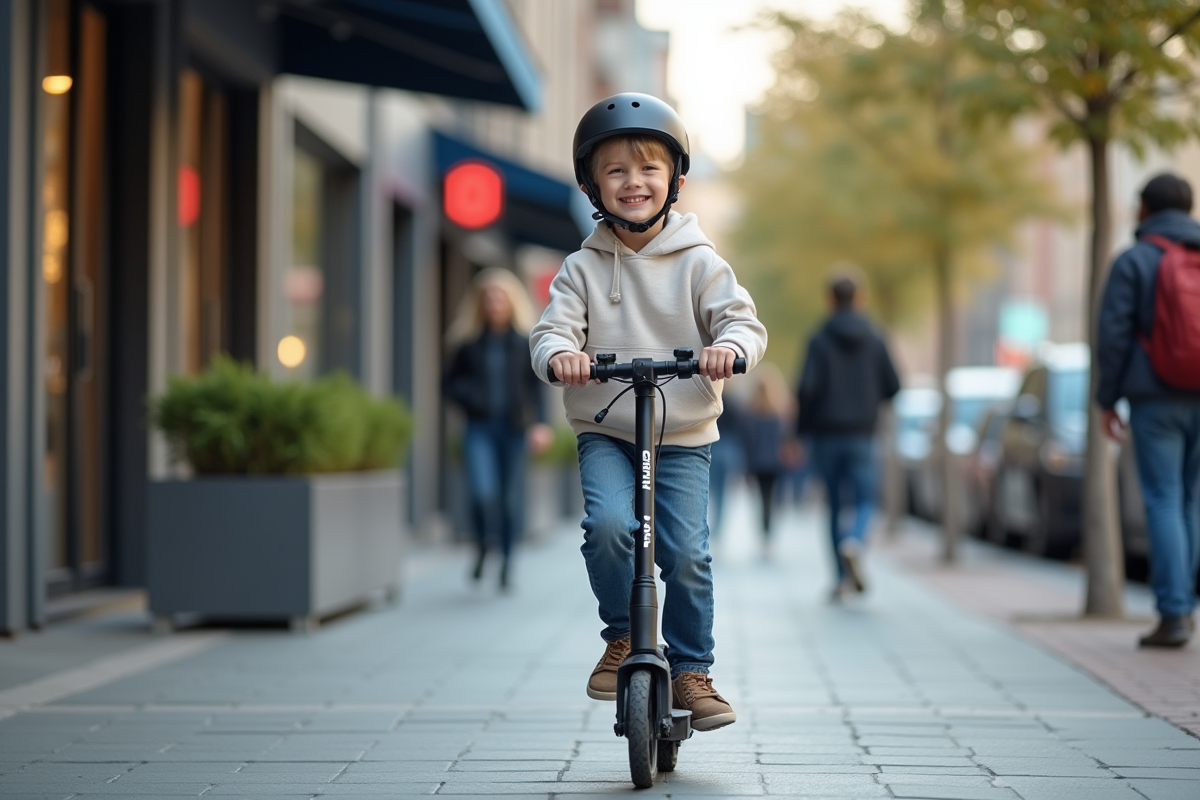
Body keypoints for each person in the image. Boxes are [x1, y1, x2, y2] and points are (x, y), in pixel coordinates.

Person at [530, 92, 768, 731]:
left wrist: (728, 349)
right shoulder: (581, 269)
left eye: (647, 170)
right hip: (607, 427)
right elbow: (551, 332)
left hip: (683, 430)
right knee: (609, 527)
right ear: (593, 186)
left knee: (685, 551)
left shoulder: (700, 263)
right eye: (615, 171)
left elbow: (743, 323)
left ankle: (692, 669)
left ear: (675, 182)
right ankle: (620, 636)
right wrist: (561, 357)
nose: (633, 182)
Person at [1096, 172, 1200, 648]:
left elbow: (1114, 335)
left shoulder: (1134, 261)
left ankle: (1173, 614)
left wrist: (1106, 398)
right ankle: (1187, 607)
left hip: (1155, 396)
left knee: (1162, 498)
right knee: (1192, 500)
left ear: (1143, 209)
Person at [444, 268, 553, 592]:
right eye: (488, 297)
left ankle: (506, 562)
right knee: (482, 494)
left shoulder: (524, 343)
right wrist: (470, 398)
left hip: (513, 429)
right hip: (479, 428)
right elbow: (448, 384)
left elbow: (538, 388)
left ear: (510, 302)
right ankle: (480, 546)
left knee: (508, 499)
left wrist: (540, 425)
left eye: (500, 297)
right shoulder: (467, 343)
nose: (494, 303)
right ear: (480, 303)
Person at [796, 270, 900, 601]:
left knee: (835, 505)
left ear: (829, 300)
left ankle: (841, 580)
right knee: (866, 499)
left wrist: (799, 433)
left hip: (826, 437)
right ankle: (855, 539)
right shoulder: (875, 337)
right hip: (862, 435)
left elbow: (806, 390)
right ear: (860, 298)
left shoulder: (818, 339)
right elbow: (894, 386)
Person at [740, 362, 793, 558]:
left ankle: (764, 535)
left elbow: (747, 443)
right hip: (775, 464)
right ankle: (769, 535)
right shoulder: (778, 414)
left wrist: (746, 469)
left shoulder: (748, 415)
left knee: (761, 500)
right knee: (772, 500)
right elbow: (785, 439)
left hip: (757, 464)